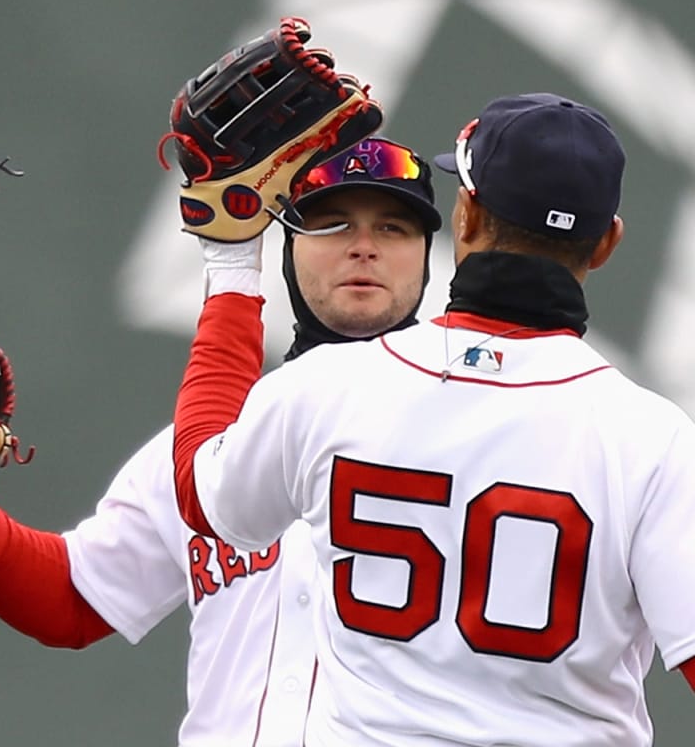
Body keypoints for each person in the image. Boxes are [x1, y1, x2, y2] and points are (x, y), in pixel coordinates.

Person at [172, 93, 695, 746]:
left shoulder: (329, 387)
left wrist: (229, 267)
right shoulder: (653, 439)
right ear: (608, 242)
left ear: (467, 215)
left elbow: (202, 492)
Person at [0, 136, 442, 746]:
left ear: (428, 256)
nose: (364, 247)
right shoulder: (212, 442)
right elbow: (73, 599)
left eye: (394, 228)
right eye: (331, 223)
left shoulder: (474, 440)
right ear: (288, 248)